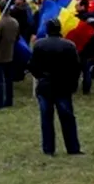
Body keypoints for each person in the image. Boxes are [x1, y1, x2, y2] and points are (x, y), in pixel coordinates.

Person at [27, 19, 83, 156]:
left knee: (46, 119)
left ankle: (48, 148)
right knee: (67, 118)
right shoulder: (69, 45)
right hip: (63, 85)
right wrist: (73, 83)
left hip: (45, 85)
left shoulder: (39, 45)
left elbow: (32, 65)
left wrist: (41, 76)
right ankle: (73, 148)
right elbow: (76, 67)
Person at [0, 9, 20, 109]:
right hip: (10, 53)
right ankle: (9, 100)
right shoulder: (15, 22)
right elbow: (17, 37)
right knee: (9, 80)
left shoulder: (0, 23)